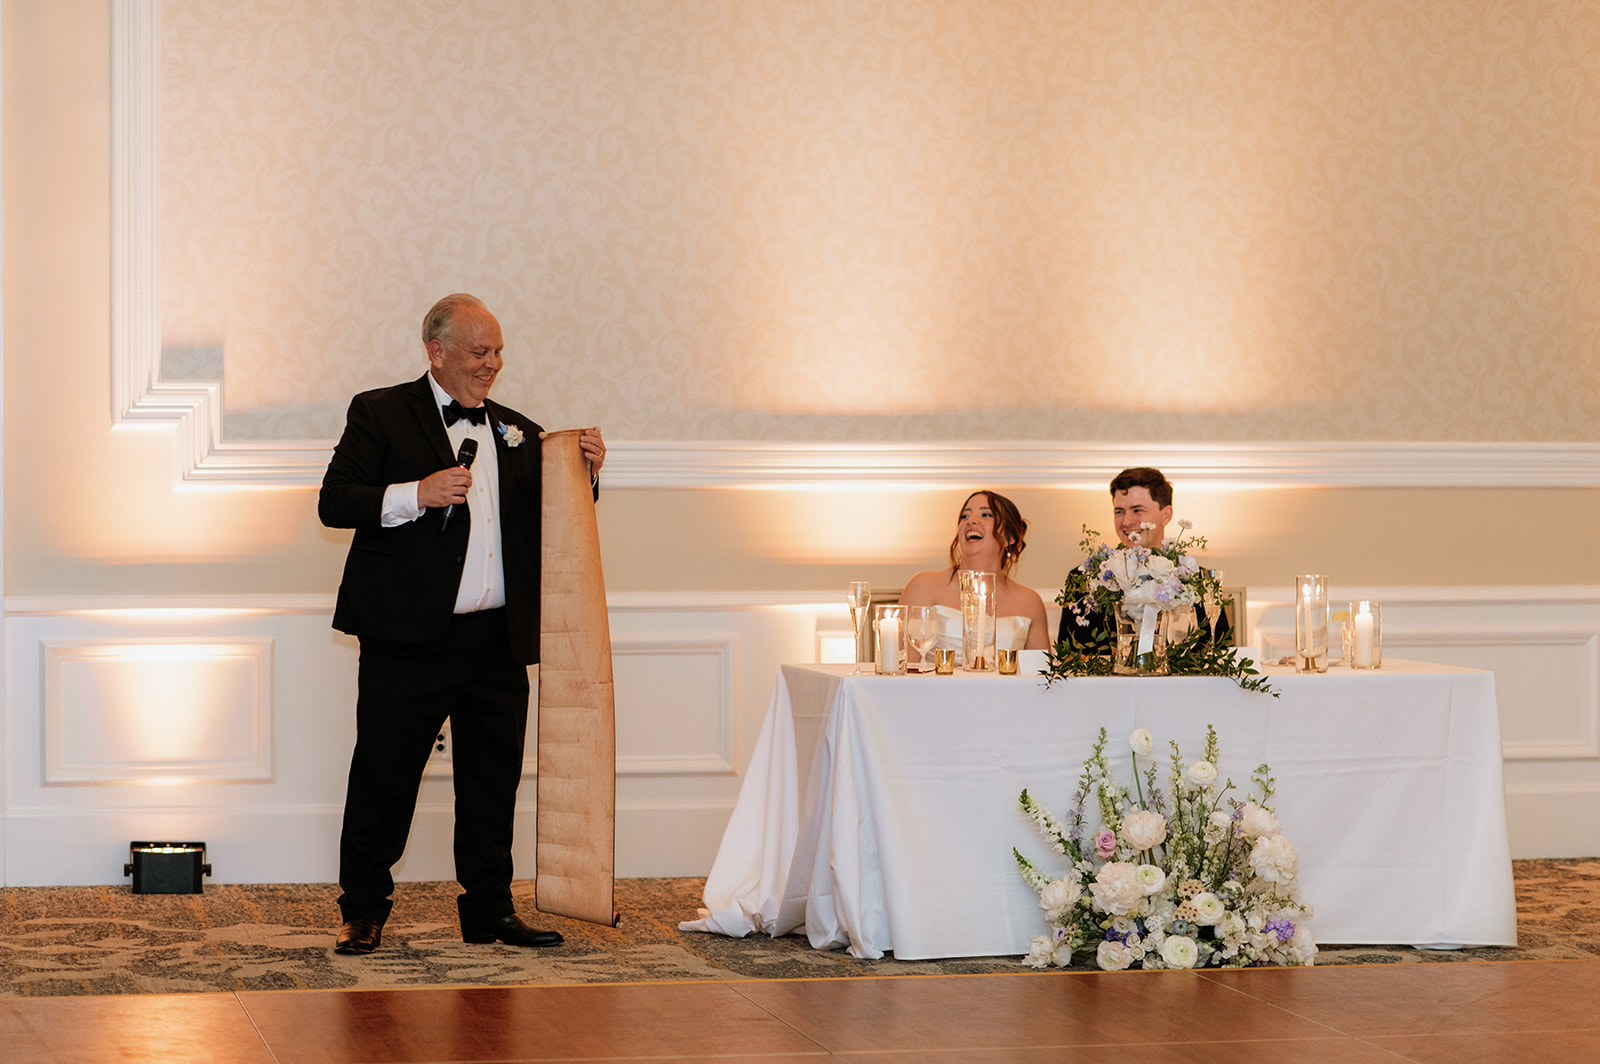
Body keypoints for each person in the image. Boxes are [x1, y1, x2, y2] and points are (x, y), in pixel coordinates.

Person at [318, 293, 605, 955]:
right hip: (408, 641)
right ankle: (362, 909)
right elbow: (335, 502)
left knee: (492, 782)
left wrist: (585, 475)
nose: (492, 364)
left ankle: (489, 910)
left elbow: (555, 523)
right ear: (436, 351)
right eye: (480, 351)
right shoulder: (380, 412)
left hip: (497, 640)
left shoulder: (519, 431)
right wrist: (414, 494)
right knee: (384, 779)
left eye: (498, 351)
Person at [1056, 467, 1229, 647]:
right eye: (1119, 511)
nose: (1126, 522)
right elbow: (1071, 658)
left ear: (1166, 515)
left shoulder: (1199, 582)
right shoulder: (1085, 580)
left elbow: (1219, 654)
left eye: (1137, 510)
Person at [900, 490, 1050, 654]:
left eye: (986, 515)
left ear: (1010, 537)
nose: (971, 521)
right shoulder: (924, 585)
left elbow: (1040, 670)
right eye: (965, 516)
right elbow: (904, 664)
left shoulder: (1030, 602)